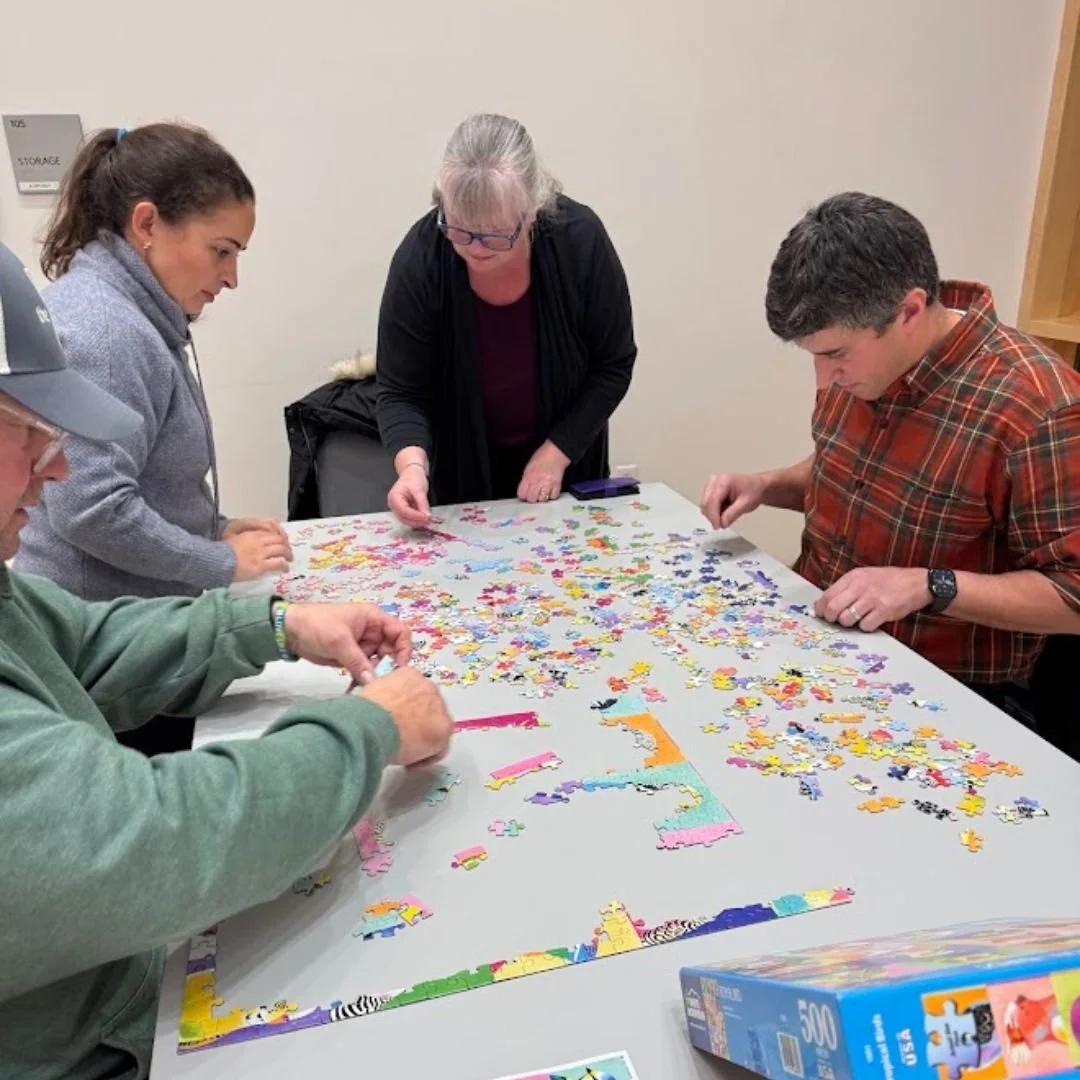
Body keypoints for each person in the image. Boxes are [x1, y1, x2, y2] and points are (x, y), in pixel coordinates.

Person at [0, 242, 454, 1077]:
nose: (56, 467)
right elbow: (154, 845)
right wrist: (370, 730)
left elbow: (86, 646)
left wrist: (277, 627)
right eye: (30, 433)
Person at [700, 192, 1080, 716]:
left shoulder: (1039, 406)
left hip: (939, 692)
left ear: (909, 311)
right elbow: (852, 476)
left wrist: (930, 585)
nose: (824, 379)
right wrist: (767, 485)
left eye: (835, 354)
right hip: (814, 638)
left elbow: (1073, 593)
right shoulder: (860, 365)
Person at [16, 122, 292, 603]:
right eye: (221, 251)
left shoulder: (131, 314)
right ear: (146, 225)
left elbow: (144, 479)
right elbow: (91, 509)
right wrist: (219, 561)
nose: (231, 277)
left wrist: (210, 529)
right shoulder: (104, 330)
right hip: (98, 624)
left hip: (123, 612)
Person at [376, 113, 637, 527]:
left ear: (533, 210)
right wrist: (411, 468)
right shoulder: (420, 259)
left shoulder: (579, 241)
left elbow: (613, 363)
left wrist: (557, 452)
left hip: (567, 474)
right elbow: (400, 390)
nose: (475, 248)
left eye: (495, 234)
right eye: (460, 229)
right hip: (461, 478)